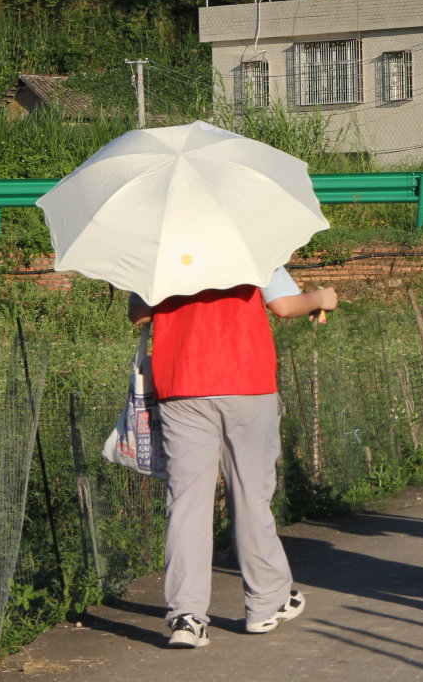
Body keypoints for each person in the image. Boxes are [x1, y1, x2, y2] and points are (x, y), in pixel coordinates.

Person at [127, 269, 338, 649]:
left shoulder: (162, 251)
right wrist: (322, 297)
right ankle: (265, 603)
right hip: (247, 383)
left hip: (182, 385)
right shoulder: (250, 245)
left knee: (187, 503)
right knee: (251, 497)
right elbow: (285, 305)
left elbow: (140, 313)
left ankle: (186, 617)